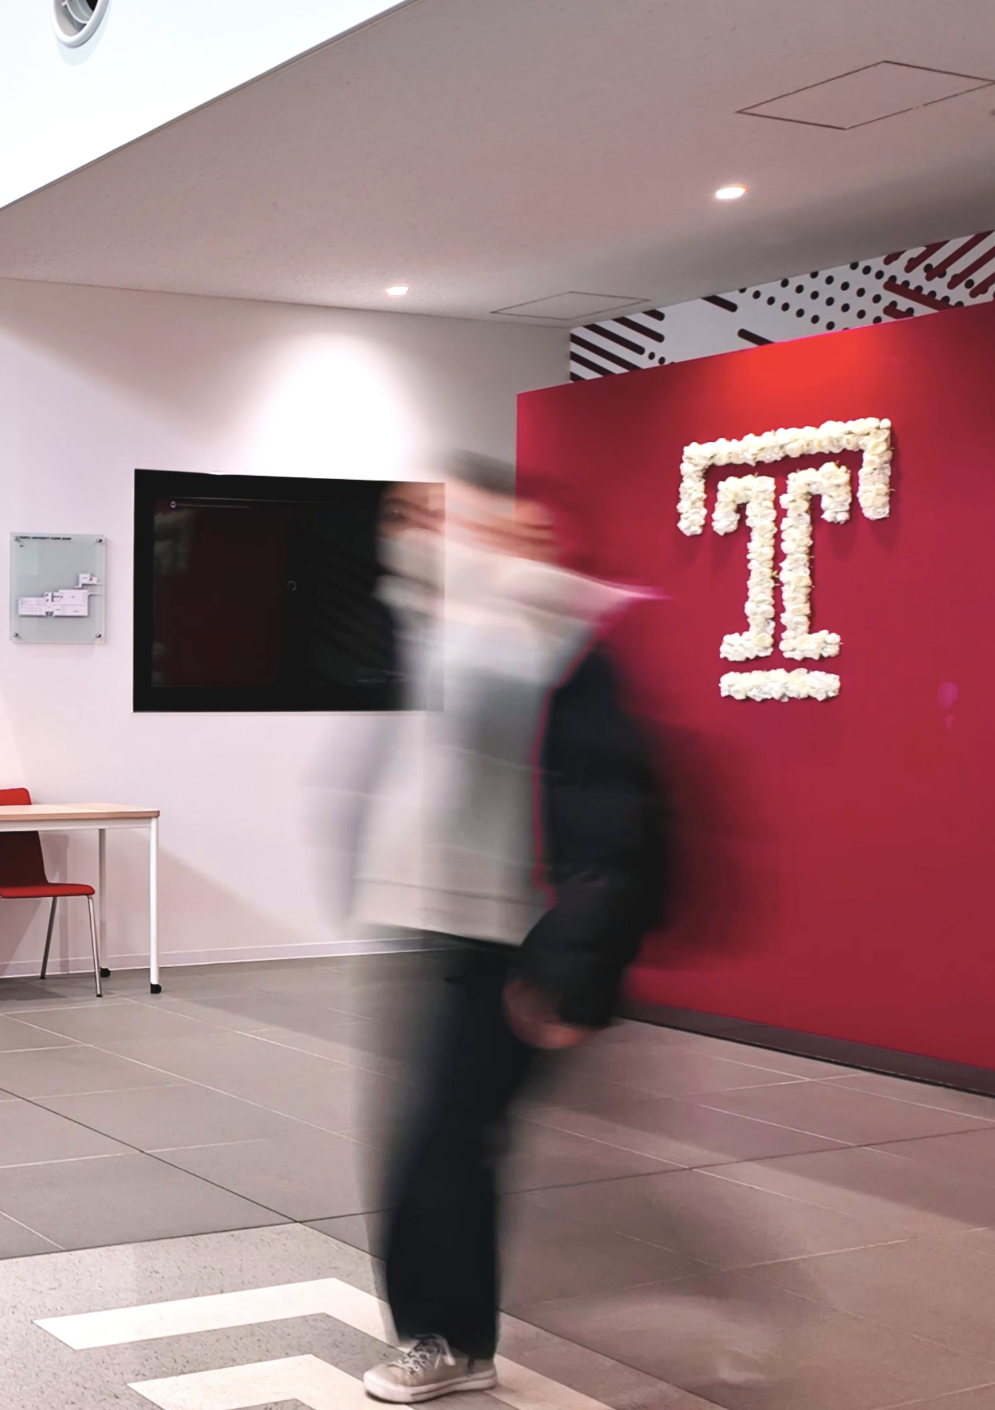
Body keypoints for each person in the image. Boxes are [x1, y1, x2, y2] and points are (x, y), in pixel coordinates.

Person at [353, 454, 668, 1403]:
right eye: (403, 514)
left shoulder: (557, 637)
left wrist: (578, 965)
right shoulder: (455, 629)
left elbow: (614, 814)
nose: (412, 532)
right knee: (444, 1146)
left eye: (434, 515)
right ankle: (455, 1337)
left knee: (437, 1151)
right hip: (446, 931)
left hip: (514, 943)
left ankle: (445, 1339)